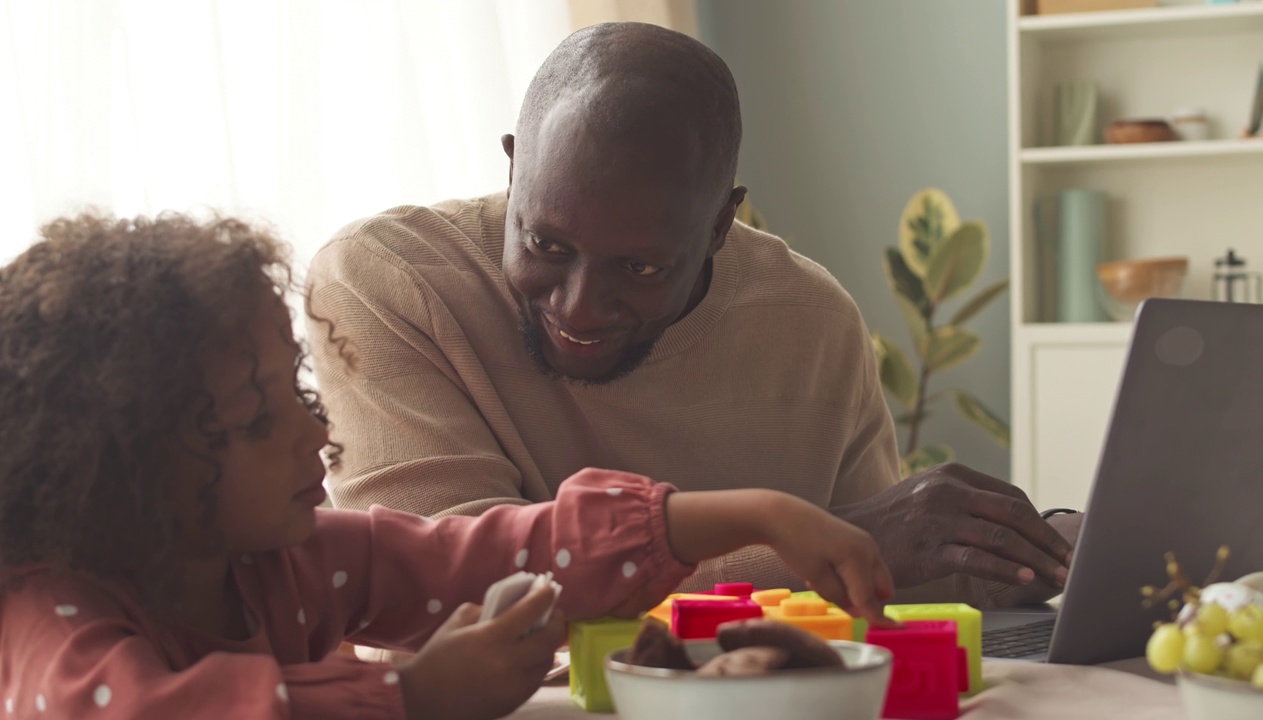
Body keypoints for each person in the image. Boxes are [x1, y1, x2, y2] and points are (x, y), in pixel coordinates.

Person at [307, 22, 1081, 608]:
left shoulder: (811, 320)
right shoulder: (389, 281)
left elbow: (875, 589)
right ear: (514, 168)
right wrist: (817, 548)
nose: (578, 305)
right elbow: (441, 594)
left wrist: (1009, 554)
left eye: (641, 268)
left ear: (720, 225)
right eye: (545, 244)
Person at [0, 212, 895, 719]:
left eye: (302, 398)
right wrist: (414, 692)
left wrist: (755, 513)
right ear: (128, 474)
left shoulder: (297, 557)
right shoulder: (53, 618)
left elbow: (487, 554)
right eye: (257, 418)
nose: (314, 436)